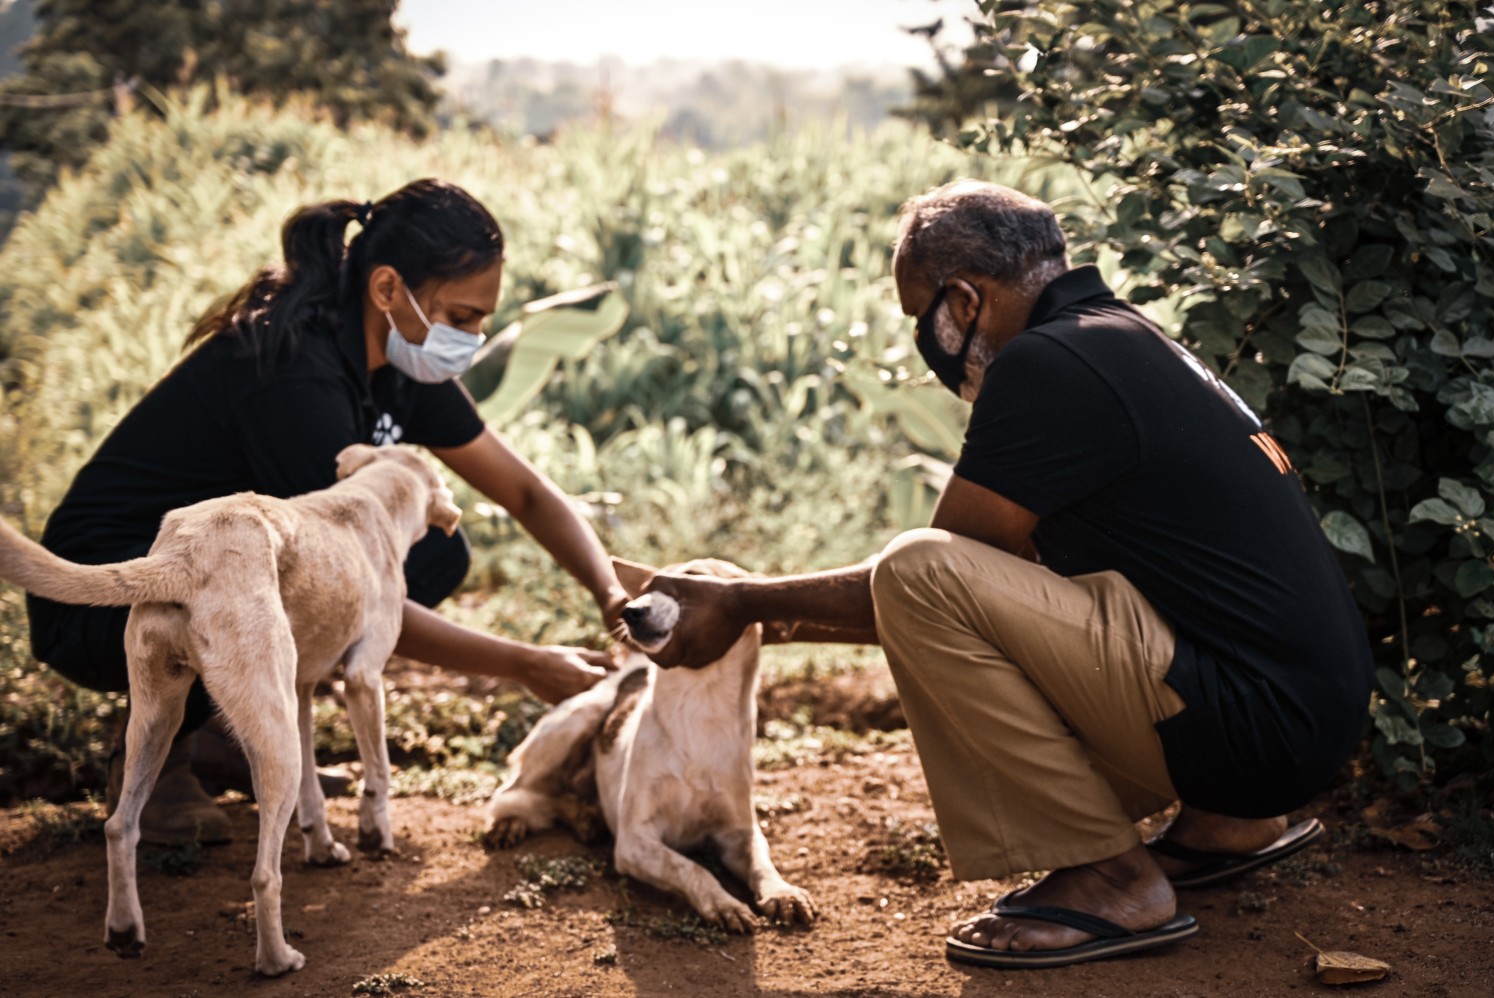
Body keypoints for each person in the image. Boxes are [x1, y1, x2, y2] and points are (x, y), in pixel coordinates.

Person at [639, 180, 1374, 968]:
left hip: (1253, 731)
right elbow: (1013, 586)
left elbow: (935, 581)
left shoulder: (1046, 364)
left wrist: (745, 599)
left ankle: (1110, 877)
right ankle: (1226, 825)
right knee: (948, 576)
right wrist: (756, 615)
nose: (927, 342)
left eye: (922, 318)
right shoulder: (1122, 338)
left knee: (919, 568)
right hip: (1300, 724)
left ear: (964, 299)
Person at [25, 178, 627, 845]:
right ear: (388, 289)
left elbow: (526, 493)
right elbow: (350, 591)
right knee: (303, 582)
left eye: (482, 320)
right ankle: (159, 751)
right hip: (101, 598)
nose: (474, 337)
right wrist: (524, 663)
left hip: (205, 573)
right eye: (461, 318)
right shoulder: (295, 375)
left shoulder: (400, 361)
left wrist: (612, 596)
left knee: (434, 551)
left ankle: (234, 731)